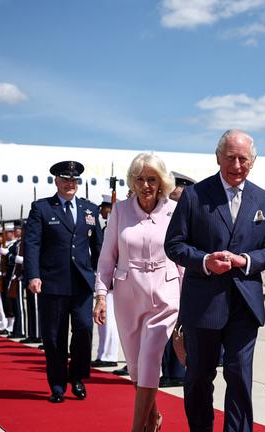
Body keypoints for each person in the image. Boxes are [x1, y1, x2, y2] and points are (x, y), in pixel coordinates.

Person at [164, 129, 265, 432]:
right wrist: (205, 261)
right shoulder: (194, 196)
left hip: (245, 303)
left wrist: (245, 261)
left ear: (252, 161)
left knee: (240, 375)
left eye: (243, 158)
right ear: (218, 157)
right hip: (204, 304)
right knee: (199, 377)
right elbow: (174, 244)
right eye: (230, 157)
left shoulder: (263, 199)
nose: (237, 165)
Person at [93, 153, 180, 431]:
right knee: (135, 366)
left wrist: (189, 301)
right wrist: (100, 295)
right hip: (128, 295)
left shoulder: (175, 211)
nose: (145, 185)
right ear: (132, 181)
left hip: (165, 293)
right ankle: (152, 418)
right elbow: (107, 257)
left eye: (152, 179)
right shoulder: (120, 211)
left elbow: (182, 260)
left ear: (162, 182)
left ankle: (137, 428)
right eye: (140, 179)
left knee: (150, 357)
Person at [24, 160, 104, 403]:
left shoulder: (90, 210)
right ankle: (57, 385)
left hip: (82, 282)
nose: (70, 184)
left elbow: (98, 248)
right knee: (54, 336)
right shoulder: (42, 208)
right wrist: (33, 275)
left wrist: (103, 279)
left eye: (74, 180)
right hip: (53, 282)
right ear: (56, 181)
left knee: (84, 330)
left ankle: (77, 376)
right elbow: (32, 244)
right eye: (66, 180)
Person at [160, 176, 194, 388]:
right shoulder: (167, 215)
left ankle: (178, 371)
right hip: (168, 277)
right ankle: (171, 371)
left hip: (186, 276)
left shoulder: (193, 215)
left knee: (181, 328)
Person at [92, 195, 119, 368]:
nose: (101, 211)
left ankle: (109, 355)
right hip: (103, 277)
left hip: (113, 279)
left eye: (103, 207)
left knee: (109, 320)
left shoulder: (113, 228)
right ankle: (103, 353)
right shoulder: (105, 229)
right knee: (103, 320)